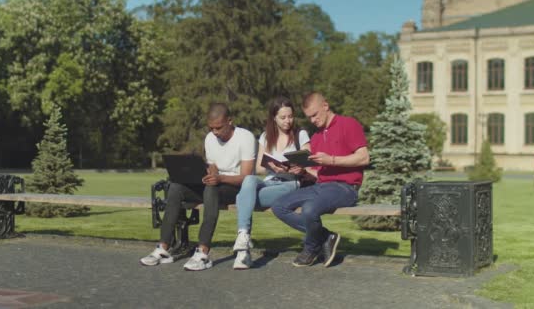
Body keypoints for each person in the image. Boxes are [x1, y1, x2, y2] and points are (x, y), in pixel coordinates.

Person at [140, 103, 256, 271]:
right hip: (215, 184)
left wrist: (219, 178)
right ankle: (163, 248)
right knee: (175, 187)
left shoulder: (245, 137)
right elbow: (213, 167)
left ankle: (203, 252)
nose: (215, 132)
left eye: (219, 128)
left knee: (211, 189)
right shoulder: (210, 138)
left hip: (236, 188)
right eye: (211, 128)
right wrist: (205, 175)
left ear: (230, 121)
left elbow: (247, 177)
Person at [271, 92, 370, 267]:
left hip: (345, 188)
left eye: (315, 115)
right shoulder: (315, 137)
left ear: (325, 106)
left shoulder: (349, 124)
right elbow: (318, 174)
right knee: (279, 206)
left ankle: (311, 247)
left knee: (309, 209)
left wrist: (331, 160)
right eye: (309, 117)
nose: (312, 120)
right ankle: (325, 236)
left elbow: (364, 158)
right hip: (321, 186)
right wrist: (302, 171)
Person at [232, 96, 310, 270]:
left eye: (290, 116)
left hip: (290, 184)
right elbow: (259, 169)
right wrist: (274, 168)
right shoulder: (266, 137)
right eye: (283, 118)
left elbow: (309, 163)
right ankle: (243, 236)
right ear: (274, 117)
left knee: (242, 198)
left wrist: (296, 168)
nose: (287, 121)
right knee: (249, 180)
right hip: (270, 180)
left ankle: (243, 253)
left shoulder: (301, 134)